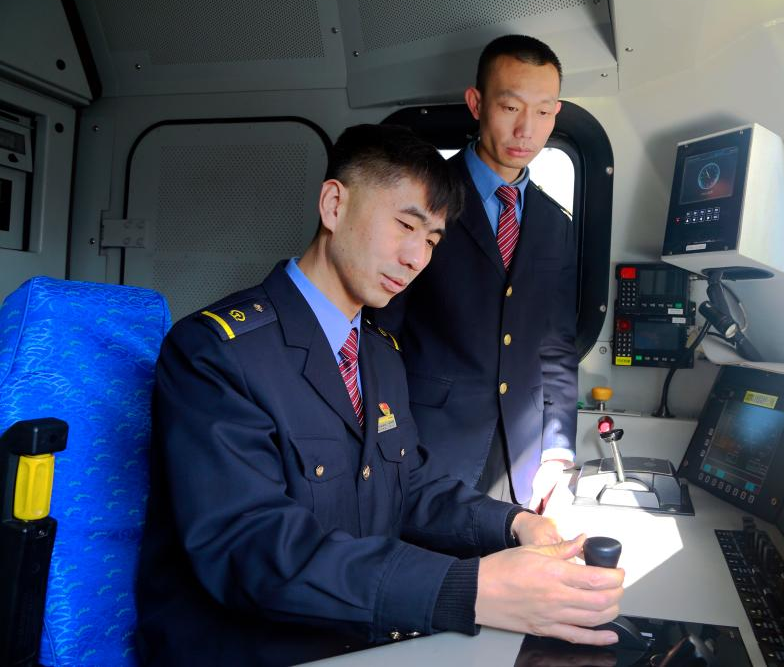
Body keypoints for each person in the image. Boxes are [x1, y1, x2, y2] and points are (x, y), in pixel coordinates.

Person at [134, 124, 623, 667]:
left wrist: (515, 524)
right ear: (334, 205)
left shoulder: (379, 352)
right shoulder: (216, 353)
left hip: (357, 635)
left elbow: (406, 484)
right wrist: (470, 589)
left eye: (432, 240)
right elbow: (251, 548)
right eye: (405, 225)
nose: (417, 258)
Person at [374, 35, 577, 510]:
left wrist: (557, 450)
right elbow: (380, 332)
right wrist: (390, 436)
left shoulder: (556, 223)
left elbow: (555, 345)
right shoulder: (422, 201)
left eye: (543, 112)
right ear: (476, 103)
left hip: (524, 459)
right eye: (510, 108)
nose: (526, 129)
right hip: (427, 446)